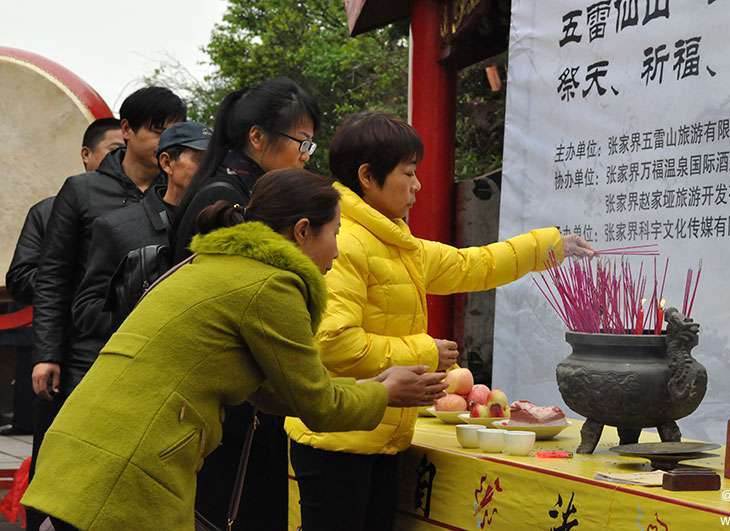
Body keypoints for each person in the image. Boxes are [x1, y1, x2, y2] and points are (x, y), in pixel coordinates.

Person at [21, 169, 448, 531]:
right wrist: (387, 392)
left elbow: (268, 391)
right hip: (128, 469)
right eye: (334, 234)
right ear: (302, 231)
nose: (336, 252)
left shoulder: (217, 264)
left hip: (85, 453)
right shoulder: (272, 284)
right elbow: (315, 404)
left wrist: (372, 384)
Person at [285, 112, 595, 530]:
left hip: (376, 435)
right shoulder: (344, 243)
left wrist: (549, 245)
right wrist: (425, 351)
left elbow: (474, 265)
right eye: (408, 174)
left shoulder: (396, 243)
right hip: (336, 440)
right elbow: (333, 342)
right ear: (367, 176)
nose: (418, 186)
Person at [29, 87, 185, 526]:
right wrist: (46, 355)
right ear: (127, 130)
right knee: (66, 466)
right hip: (85, 345)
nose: (165, 143)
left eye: (174, 134)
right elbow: (54, 277)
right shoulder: (81, 191)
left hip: (149, 350)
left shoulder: (176, 192)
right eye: (157, 131)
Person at [170, 78, 318, 530]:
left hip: (239, 389)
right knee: (233, 510)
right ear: (257, 137)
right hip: (225, 393)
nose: (305, 156)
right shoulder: (225, 197)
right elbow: (228, 301)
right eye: (302, 142)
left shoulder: (243, 188)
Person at [2, 119, 123, 441]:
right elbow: (21, 280)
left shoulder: (149, 208)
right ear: (86, 154)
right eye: (114, 150)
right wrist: (79, 274)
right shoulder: (48, 211)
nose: (121, 158)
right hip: (67, 348)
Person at [70, 121, 211, 337]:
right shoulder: (118, 227)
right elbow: (86, 311)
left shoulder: (222, 222)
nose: (210, 170)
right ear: (167, 163)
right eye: (201, 160)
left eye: (216, 162)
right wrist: (137, 307)